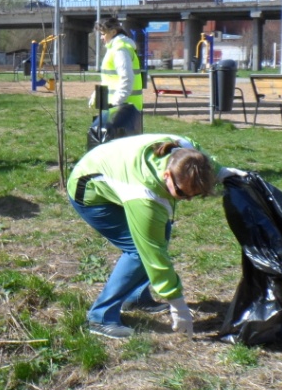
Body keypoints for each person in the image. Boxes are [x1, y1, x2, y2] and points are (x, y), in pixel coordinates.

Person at [67, 133, 245, 340]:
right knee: (138, 251)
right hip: (88, 191)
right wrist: (177, 303)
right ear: (167, 176)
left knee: (160, 235)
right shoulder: (144, 195)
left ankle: (136, 297)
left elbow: (206, 164)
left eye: (194, 195)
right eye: (181, 193)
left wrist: (223, 172)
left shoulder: (189, 151)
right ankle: (100, 317)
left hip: (111, 169)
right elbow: (153, 253)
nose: (187, 200)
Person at [90, 17, 144, 133]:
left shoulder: (120, 49)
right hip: (120, 109)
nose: (101, 37)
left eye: (103, 34)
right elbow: (110, 78)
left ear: (113, 32)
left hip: (124, 110)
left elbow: (127, 78)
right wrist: (98, 94)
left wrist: (116, 103)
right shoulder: (115, 48)